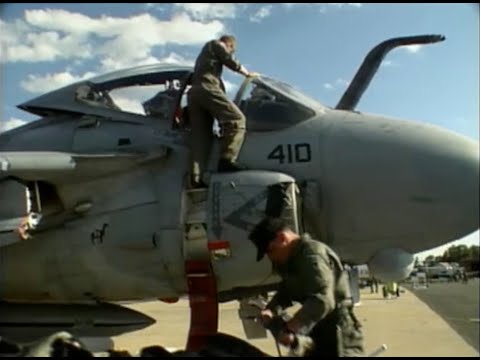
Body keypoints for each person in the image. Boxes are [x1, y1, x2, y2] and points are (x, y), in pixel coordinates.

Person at [248, 217, 365, 357]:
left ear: (282, 237)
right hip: (317, 328)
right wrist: (271, 310)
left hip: (338, 332)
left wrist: (293, 325)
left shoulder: (312, 254)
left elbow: (323, 300)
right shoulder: (294, 260)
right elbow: (287, 290)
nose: (271, 258)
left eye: (271, 250)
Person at [188, 34, 258, 187]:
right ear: (230, 45)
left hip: (195, 94)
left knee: (201, 136)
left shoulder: (204, 58)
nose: (232, 53)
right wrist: (247, 73)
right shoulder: (215, 44)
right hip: (207, 88)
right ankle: (227, 160)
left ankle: (195, 179)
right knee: (237, 119)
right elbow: (229, 60)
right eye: (232, 50)